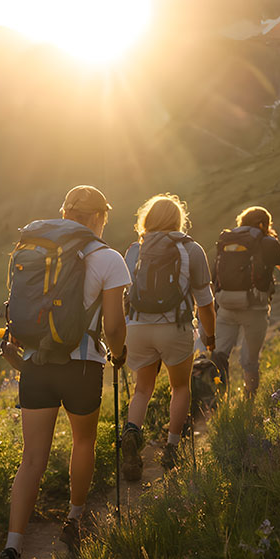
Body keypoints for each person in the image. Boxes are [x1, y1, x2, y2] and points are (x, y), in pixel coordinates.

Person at [0, 185, 129, 559]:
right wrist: (118, 356)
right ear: (99, 216)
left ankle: (12, 550)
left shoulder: (35, 248)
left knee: (31, 457)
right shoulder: (107, 258)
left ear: (66, 212)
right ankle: (74, 521)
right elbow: (115, 326)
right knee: (83, 443)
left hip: (35, 364)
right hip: (82, 365)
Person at [120, 194, 216, 479]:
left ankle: (131, 433)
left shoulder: (134, 250)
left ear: (146, 220)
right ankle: (172, 448)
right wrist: (209, 336)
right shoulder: (192, 249)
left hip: (136, 327)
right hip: (174, 328)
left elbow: (124, 293)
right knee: (180, 388)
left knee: (142, 389)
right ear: (178, 220)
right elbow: (205, 302)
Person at [212, 205, 280, 397]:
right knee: (250, 359)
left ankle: (216, 396)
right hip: (254, 307)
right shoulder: (267, 242)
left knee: (220, 353)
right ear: (262, 224)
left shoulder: (226, 240)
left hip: (226, 304)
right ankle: (249, 399)